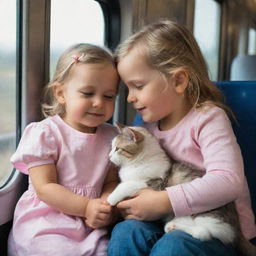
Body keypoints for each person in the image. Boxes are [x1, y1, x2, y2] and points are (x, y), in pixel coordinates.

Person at [107, 20, 256, 256]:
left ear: (178, 81)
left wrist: (163, 201)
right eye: (128, 90)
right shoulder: (146, 128)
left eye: (138, 86)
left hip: (218, 230)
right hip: (167, 221)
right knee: (127, 232)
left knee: (174, 246)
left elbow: (229, 180)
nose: (130, 98)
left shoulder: (208, 118)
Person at [8, 43, 120, 256]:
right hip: (47, 220)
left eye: (108, 96)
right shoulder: (46, 133)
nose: (98, 103)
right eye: (88, 93)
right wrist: (86, 207)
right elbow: (45, 187)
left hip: (90, 224)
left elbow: (111, 180)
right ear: (60, 93)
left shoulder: (111, 137)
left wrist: (104, 204)